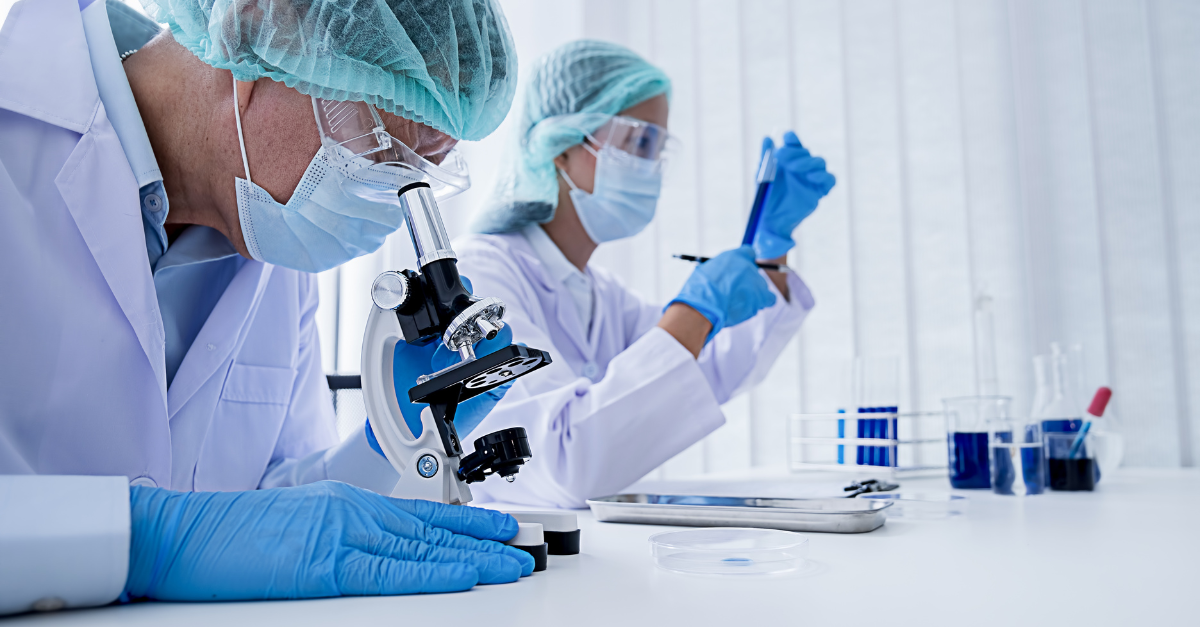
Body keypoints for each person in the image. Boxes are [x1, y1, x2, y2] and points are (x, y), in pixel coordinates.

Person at [0, 0, 530, 615]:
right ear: (259, 24)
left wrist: (389, 447)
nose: (387, 209)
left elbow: (270, 515)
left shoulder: (267, 235)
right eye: (382, 155)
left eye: (415, 179)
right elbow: (212, 535)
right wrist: (140, 541)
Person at [456, 40, 837, 508]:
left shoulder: (601, 296)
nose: (650, 166)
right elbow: (562, 460)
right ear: (561, 147)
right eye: (638, 141)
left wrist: (768, 249)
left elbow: (712, 368)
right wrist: (696, 309)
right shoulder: (477, 280)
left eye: (658, 148)